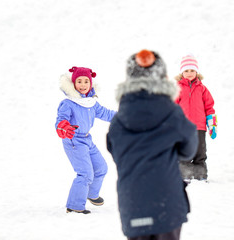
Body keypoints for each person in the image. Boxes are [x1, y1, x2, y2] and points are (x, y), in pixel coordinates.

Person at [107, 50, 198, 240]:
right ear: (162, 77)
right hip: (167, 204)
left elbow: (114, 150)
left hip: (133, 204)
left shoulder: (119, 121)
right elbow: (189, 149)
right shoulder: (172, 114)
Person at [55, 66, 116, 214]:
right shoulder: (68, 103)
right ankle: (75, 205)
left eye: (86, 82)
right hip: (74, 140)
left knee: (101, 168)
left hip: (87, 139)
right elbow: (60, 121)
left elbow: (106, 114)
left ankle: (90, 194)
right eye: (79, 81)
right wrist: (64, 128)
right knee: (85, 173)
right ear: (74, 84)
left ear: (90, 84)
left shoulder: (90, 103)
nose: (83, 85)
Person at [174, 54, 217, 182]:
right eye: (186, 71)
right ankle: (185, 174)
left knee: (200, 153)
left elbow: (210, 108)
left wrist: (212, 125)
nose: (189, 73)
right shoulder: (178, 89)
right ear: (182, 72)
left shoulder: (202, 89)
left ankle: (200, 175)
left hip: (200, 127)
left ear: (196, 72)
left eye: (192, 70)